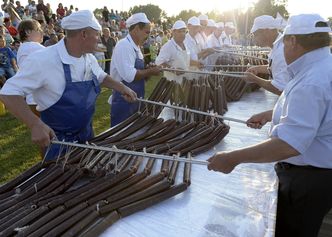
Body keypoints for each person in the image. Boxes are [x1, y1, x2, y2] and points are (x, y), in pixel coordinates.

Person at [207, 13, 332, 237]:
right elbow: (315, 116)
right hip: (317, 177)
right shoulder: (321, 67)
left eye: (285, 40)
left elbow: (287, 145)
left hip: (307, 179)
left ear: (293, 41)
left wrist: (232, 158)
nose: (283, 46)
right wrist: (270, 114)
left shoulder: (312, 81)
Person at [0, 10, 136, 161]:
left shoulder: (88, 58)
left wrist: (122, 87)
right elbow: (8, 92)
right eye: (96, 34)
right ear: (83, 34)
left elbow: (100, 76)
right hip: (58, 145)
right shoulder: (43, 60)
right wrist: (34, 124)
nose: (99, 39)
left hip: (87, 137)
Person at [109, 12, 161, 127]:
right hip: (123, 102)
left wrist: (148, 71)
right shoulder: (124, 46)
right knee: (121, 137)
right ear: (137, 29)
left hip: (136, 100)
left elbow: (140, 78)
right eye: (146, 32)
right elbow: (130, 76)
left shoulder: (137, 48)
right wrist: (150, 71)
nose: (148, 36)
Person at [245, 15, 290, 95]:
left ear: (266, 31)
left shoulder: (280, 51)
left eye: (255, 35)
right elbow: (276, 67)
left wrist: (255, 79)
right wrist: (257, 68)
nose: (254, 39)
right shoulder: (277, 47)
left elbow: (280, 88)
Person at [16, 19, 44, 115]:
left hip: (32, 99)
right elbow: (54, 55)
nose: (41, 31)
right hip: (41, 99)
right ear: (28, 32)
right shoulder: (32, 46)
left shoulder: (23, 48)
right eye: (38, 29)